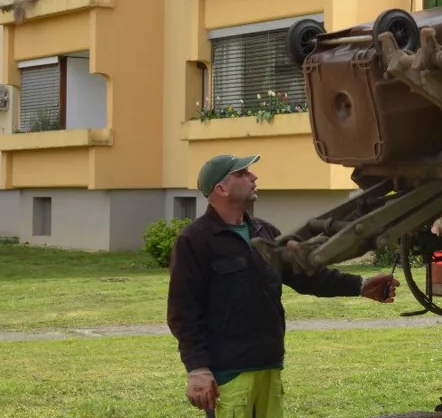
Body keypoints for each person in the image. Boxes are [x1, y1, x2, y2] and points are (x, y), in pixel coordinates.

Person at [167, 154, 400, 417]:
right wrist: (197, 369)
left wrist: (361, 285)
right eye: (243, 174)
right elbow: (183, 312)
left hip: (269, 363)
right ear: (221, 188)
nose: (253, 177)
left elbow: (306, 276)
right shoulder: (194, 240)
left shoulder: (265, 233)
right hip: (228, 374)